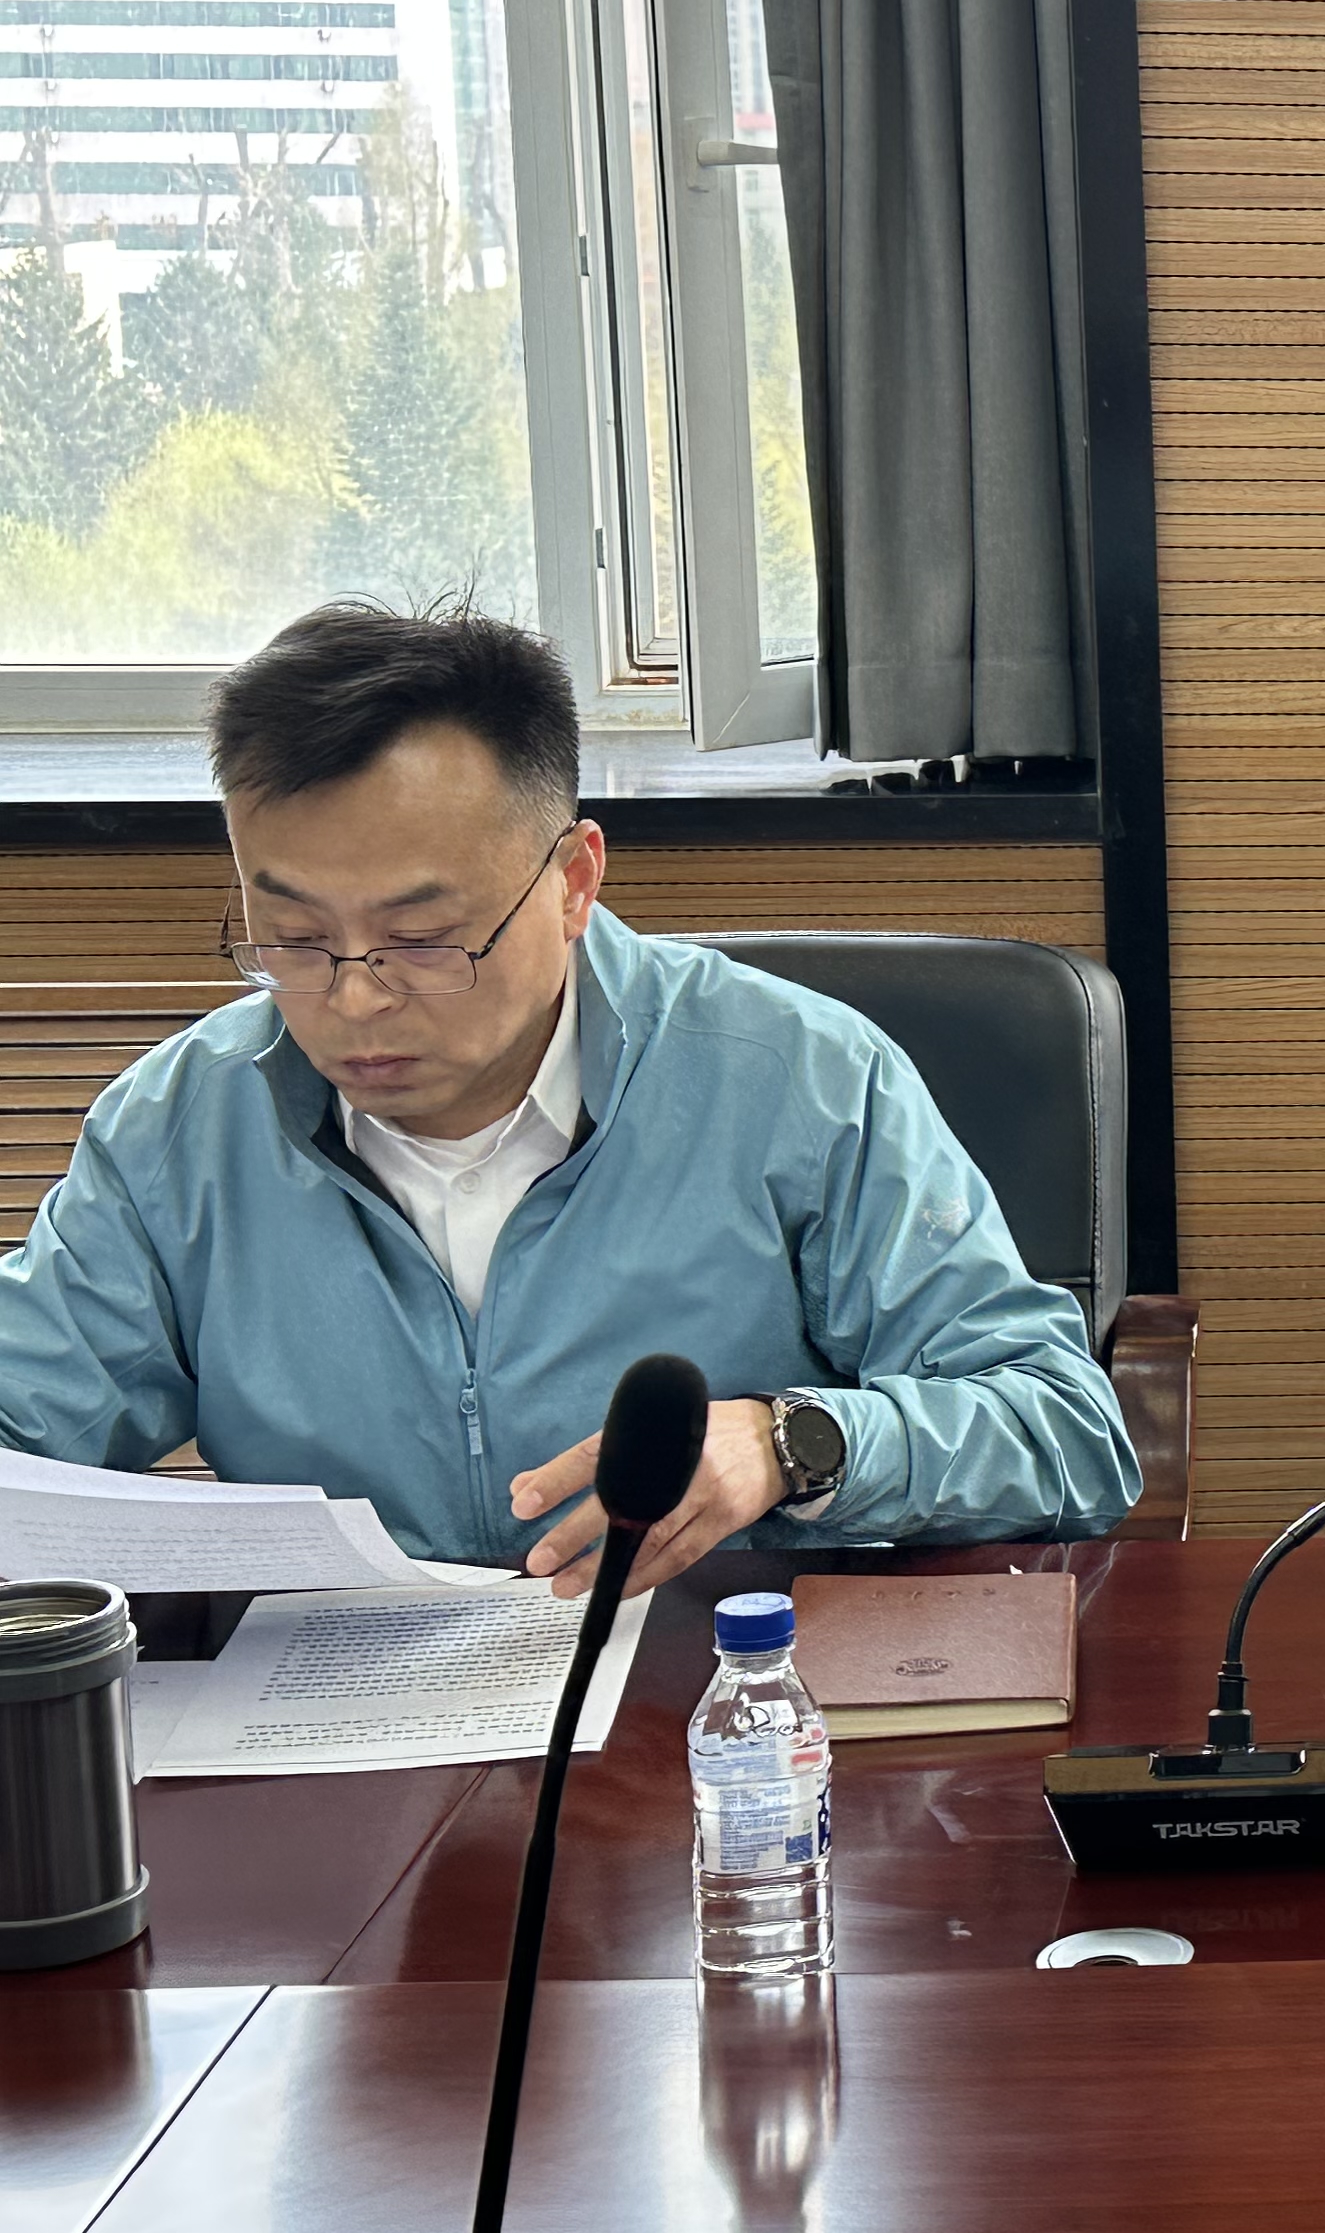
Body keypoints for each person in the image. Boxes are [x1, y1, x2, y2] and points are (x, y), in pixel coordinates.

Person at [0, 602, 1140, 1595]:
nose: (353, 1000)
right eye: (293, 940)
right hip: (338, 1724)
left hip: (725, 1709)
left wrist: (791, 1445)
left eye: (424, 941)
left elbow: (1064, 1432)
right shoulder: (179, 1130)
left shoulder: (799, 1081)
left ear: (574, 881)